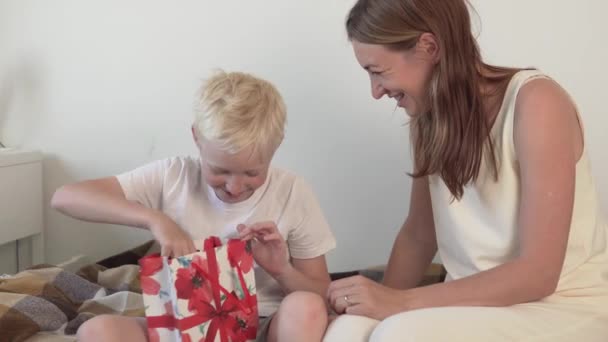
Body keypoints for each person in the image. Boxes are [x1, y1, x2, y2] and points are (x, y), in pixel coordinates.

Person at [323, 0, 608, 341]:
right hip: (470, 306)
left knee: (399, 333)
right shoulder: (427, 119)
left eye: (378, 71)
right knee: (348, 331)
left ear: (429, 47)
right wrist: (373, 305)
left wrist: (399, 302)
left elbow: (539, 273)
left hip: (559, 305)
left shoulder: (536, 102)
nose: (375, 91)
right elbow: (419, 236)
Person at [51, 70, 336, 342]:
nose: (234, 187)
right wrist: (155, 220)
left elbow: (321, 294)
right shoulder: (173, 176)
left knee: (306, 306)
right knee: (96, 331)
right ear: (197, 138)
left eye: (251, 173)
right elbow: (65, 197)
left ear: (276, 147)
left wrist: (281, 269)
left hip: (262, 326)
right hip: (181, 328)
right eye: (220, 171)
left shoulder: (292, 192)